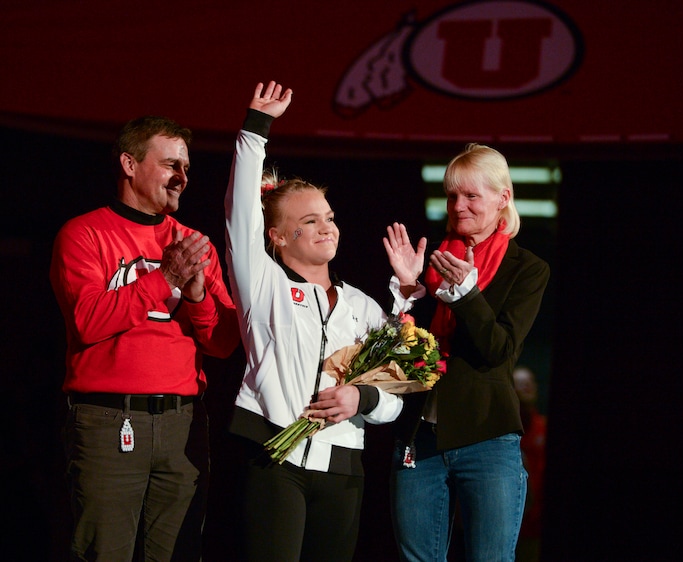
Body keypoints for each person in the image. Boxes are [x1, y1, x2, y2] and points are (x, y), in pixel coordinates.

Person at [223, 81, 426, 562]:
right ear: (276, 236)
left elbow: (396, 402)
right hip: (274, 456)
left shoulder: (363, 305)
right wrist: (256, 130)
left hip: (344, 469)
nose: (326, 226)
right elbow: (239, 216)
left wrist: (363, 395)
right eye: (309, 220)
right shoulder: (263, 286)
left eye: (329, 217)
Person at [49, 115, 240, 561]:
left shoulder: (193, 242)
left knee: (176, 553)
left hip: (183, 424)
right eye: (171, 164)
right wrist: (164, 277)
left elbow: (224, 344)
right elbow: (87, 322)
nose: (182, 177)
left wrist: (195, 297)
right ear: (129, 164)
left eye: (187, 168)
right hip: (108, 422)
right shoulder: (84, 233)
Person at [390, 144, 550, 562]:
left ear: (503, 199)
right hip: (420, 439)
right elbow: (399, 354)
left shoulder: (528, 268)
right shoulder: (432, 262)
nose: (458, 206)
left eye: (471, 196)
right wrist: (407, 292)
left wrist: (466, 295)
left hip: (488, 437)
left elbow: (498, 349)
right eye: (452, 196)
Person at [513, 365, 547, 562]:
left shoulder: (543, 427)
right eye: (520, 383)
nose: (526, 387)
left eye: (529, 383)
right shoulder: (499, 432)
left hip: (535, 528)